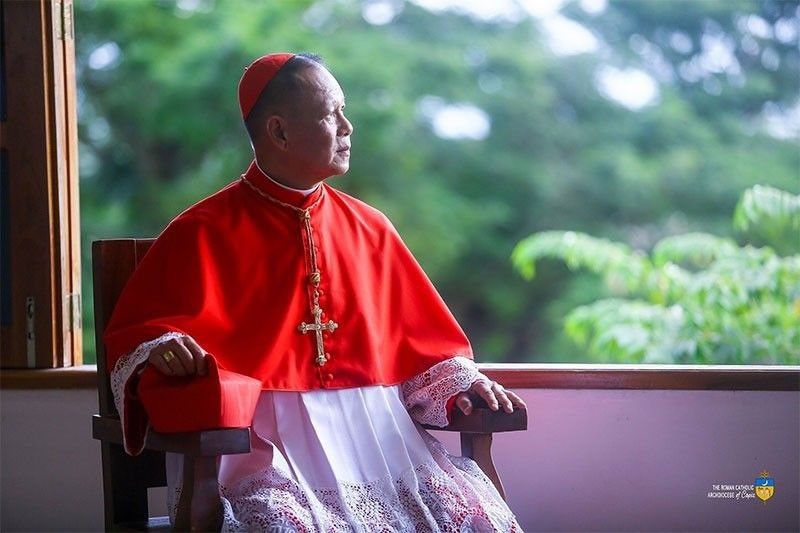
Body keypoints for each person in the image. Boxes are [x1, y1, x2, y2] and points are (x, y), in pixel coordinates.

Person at [104, 52, 527, 532]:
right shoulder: (199, 232)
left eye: (345, 112)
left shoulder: (372, 229)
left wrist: (462, 383)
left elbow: (423, 345)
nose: (348, 127)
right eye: (331, 114)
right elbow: (143, 335)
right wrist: (162, 350)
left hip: (380, 442)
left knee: (466, 518)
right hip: (257, 446)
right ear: (279, 132)